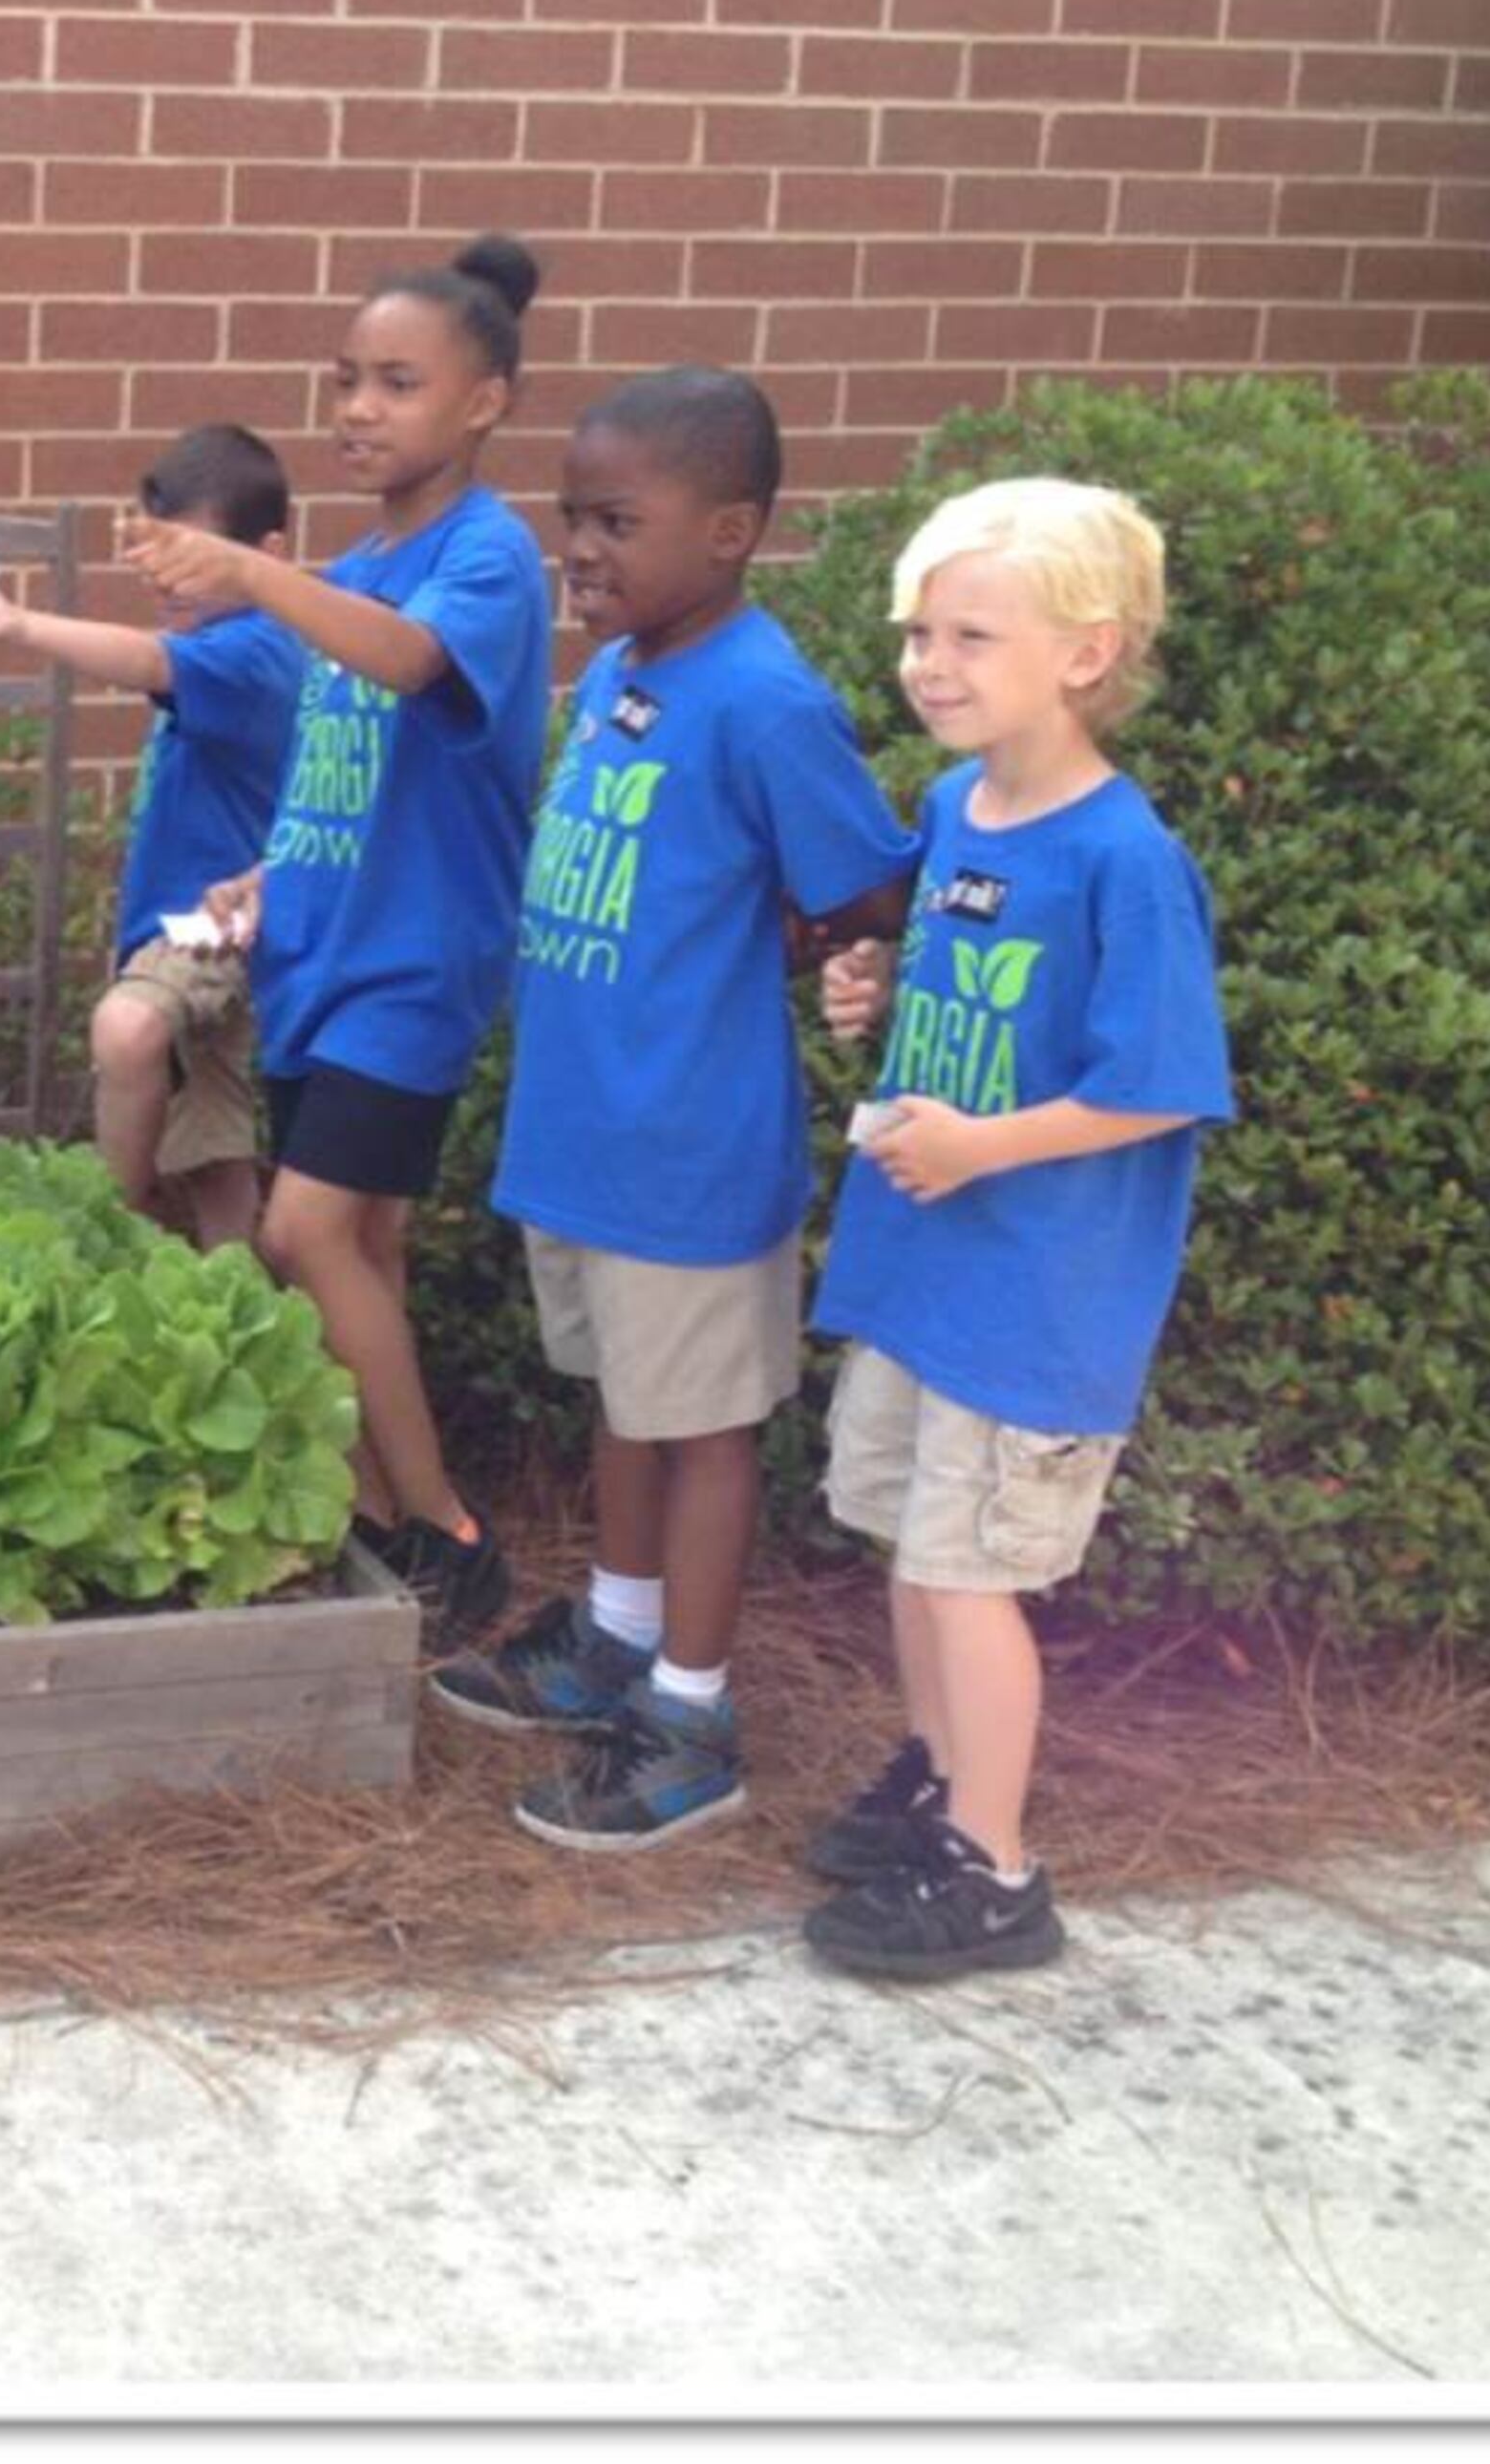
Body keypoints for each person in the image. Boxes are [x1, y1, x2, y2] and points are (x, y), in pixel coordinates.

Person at [433, 368, 918, 1850]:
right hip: (584, 1142)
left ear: (732, 531)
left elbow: (866, 887)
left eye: (617, 521)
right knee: (625, 1402)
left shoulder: (764, 698)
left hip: (689, 1147)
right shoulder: (631, 674)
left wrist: (803, 949)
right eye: (570, 515)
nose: (579, 547)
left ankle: (693, 1716)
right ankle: (613, 1639)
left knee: (702, 1428)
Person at [800, 478, 1233, 1977]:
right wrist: (872, 993)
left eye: (974, 633)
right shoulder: (954, 808)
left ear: (1087, 650)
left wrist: (987, 1143)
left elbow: (1159, 1084)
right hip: (926, 1271)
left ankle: (995, 1868)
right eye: (922, 630)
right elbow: (955, 985)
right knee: (918, 1555)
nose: (931, 660)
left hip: (1036, 1292)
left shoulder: (1125, 855)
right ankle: (938, 1779)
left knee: (969, 1571)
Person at [116, 233, 554, 1651]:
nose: (359, 408)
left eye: (397, 382)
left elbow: (410, 661)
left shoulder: (481, 557)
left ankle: (452, 1534)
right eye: (345, 381)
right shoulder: (358, 563)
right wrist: (262, 873)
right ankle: (374, 1515)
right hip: (315, 952)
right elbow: (335, 774)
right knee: (357, 1244)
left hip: (413, 967)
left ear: (484, 400)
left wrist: (248, 574)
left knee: (302, 1229)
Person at [0, 422, 305, 1249]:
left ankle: (115, 1225)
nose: (164, 574)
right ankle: (241, 1319)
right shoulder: (227, 642)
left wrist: (20, 624)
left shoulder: (248, 650)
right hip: (196, 926)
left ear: (269, 553)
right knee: (216, 1158)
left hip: (210, 926)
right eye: (154, 549)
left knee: (127, 1028)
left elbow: (145, 661)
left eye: (190, 552)